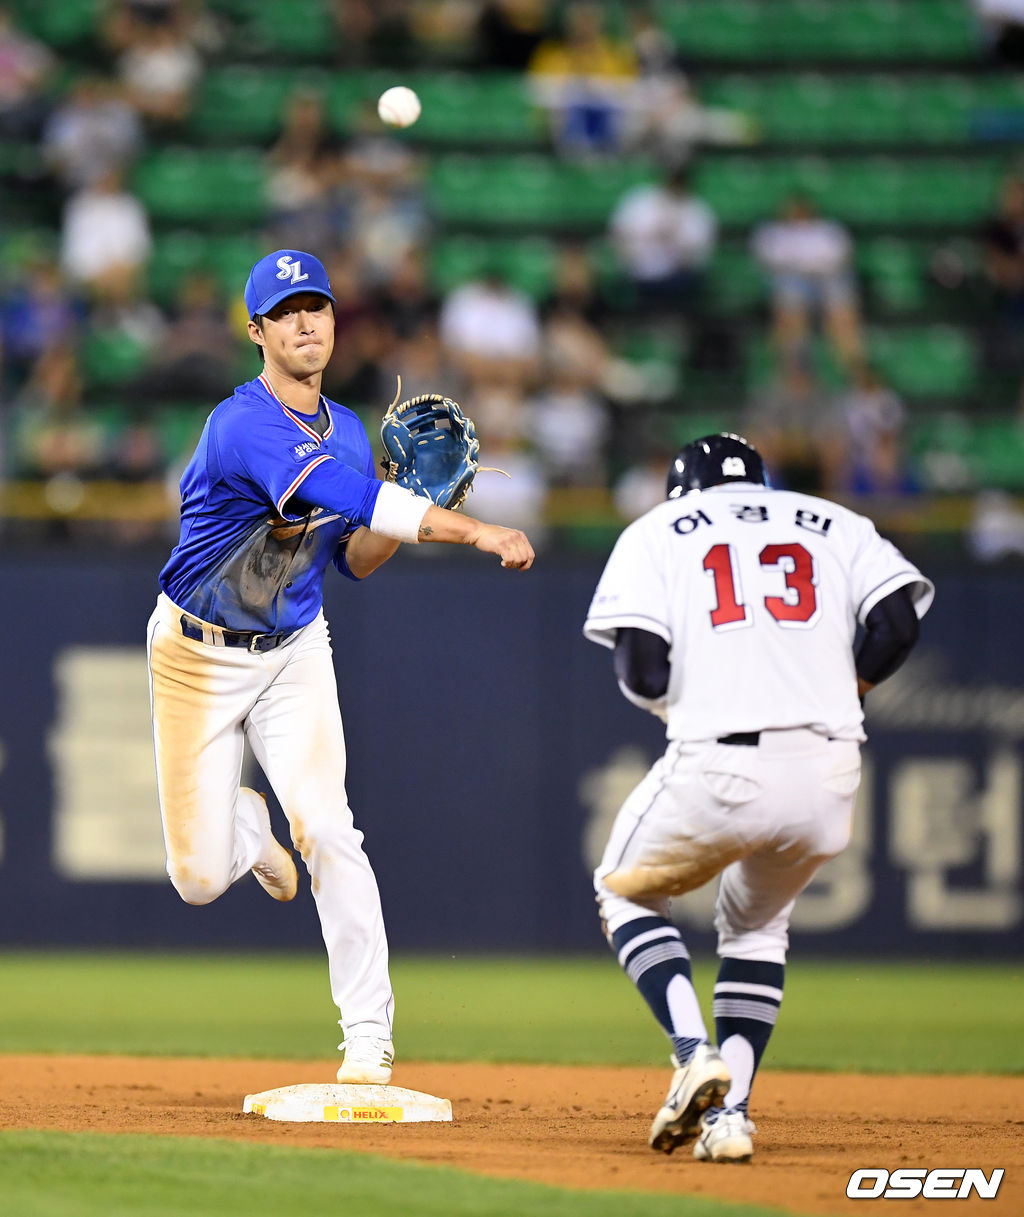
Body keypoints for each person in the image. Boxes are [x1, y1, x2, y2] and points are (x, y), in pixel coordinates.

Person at [146, 249, 534, 1086]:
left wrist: (411, 510)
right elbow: (361, 502)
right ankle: (246, 825)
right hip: (195, 656)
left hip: (292, 647)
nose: (306, 321)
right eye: (285, 311)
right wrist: (474, 530)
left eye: (316, 305)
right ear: (256, 331)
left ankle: (368, 1036)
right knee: (199, 879)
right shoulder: (241, 423)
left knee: (329, 829)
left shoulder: (351, 429)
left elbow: (355, 556)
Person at [583, 433, 932, 1162]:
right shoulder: (833, 520)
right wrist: (848, 684)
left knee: (626, 892)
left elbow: (644, 673)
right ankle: (730, 1118)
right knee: (756, 929)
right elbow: (898, 622)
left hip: (722, 759)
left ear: (683, 491)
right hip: (830, 769)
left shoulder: (656, 531)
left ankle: (690, 1051)